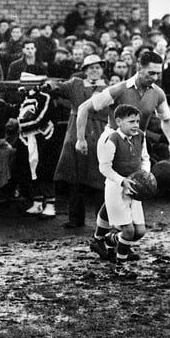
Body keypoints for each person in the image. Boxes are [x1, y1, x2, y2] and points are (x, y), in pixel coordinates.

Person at [76, 52, 170, 262]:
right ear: (138, 67)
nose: (155, 77)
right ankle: (117, 238)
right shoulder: (119, 89)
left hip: (137, 141)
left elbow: (166, 119)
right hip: (113, 141)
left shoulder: (157, 93)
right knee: (119, 187)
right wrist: (81, 139)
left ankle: (109, 239)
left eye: (158, 73)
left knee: (132, 188)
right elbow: (83, 107)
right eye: (151, 72)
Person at [52, 55, 108, 228]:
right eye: (90, 68)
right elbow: (56, 87)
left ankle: (103, 221)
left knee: (100, 179)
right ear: (84, 71)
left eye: (97, 67)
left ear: (102, 70)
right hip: (77, 134)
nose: (94, 70)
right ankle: (75, 220)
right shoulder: (75, 84)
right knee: (75, 179)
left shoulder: (110, 88)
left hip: (99, 133)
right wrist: (48, 84)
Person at [98, 104, 150, 278]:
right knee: (128, 231)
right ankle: (120, 268)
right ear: (119, 122)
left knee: (140, 231)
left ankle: (109, 239)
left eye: (137, 121)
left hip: (135, 187)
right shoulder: (112, 139)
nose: (136, 125)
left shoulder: (141, 136)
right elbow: (104, 168)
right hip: (116, 188)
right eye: (131, 121)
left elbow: (145, 159)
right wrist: (122, 181)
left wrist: (145, 175)